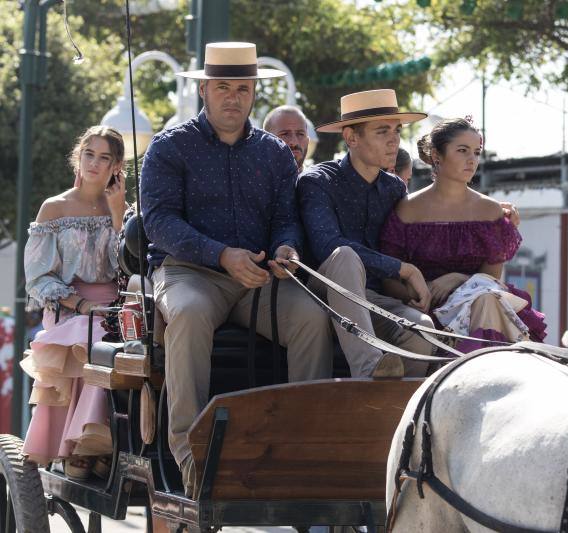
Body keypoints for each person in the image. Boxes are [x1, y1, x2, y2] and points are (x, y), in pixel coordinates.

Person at [140, 42, 333, 498]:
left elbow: (287, 217)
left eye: (242, 88)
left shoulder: (273, 154)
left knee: (311, 316)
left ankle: (308, 452)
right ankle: (190, 456)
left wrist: (287, 247)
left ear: (252, 95)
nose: (232, 97)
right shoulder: (170, 148)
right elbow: (160, 221)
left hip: (258, 280)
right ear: (204, 90)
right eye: (222, 87)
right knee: (186, 313)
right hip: (191, 272)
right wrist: (222, 255)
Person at [297, 89, 435, 378]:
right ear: (351, 138)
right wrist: (403, 270)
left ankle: (393, 415)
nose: (394, 139)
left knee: (422, 328)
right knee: (345, 256)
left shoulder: (395, 188)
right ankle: (368, 368)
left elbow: (417, 233)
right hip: (323, 292)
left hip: (374, 299)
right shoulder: (317, 181)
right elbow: (327, 246)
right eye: (382, 131)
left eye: (397, 130)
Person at [379, 117, 547, 353]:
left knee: (487, 301)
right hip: (422, 312)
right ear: (437, 155)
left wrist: (456, 278)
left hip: (478, 308)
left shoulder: (490, 211)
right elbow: (388, 279)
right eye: (462, 150)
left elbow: (490, 281)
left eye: (477, 152)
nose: (472, 160)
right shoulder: (408, 209)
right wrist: (420, 292)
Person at [21, 125, 127, 479]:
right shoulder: (55, 208)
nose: (94, 164)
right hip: (69, 310)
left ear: (116, 167)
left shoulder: (124, 211)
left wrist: (117, 213)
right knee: (96, 339)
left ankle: (106, 440)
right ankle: (78, 444)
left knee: (132, 345)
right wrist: (79, 303)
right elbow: (38, 276)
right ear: (78, 157)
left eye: (104, 158)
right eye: (89, 154)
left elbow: (126, 269)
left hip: (116, 309)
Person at [263, 104, 310, 169]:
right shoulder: (250, 178)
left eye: (300, 134)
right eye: (285, 134)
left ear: (307, 141)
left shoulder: (320, 178)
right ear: (266, 142)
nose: (294, 142)